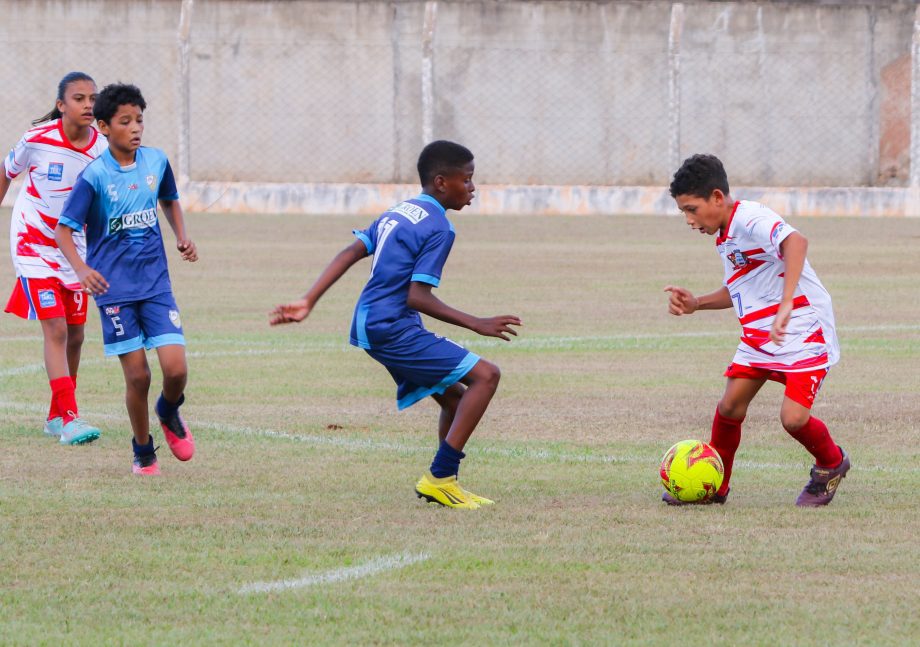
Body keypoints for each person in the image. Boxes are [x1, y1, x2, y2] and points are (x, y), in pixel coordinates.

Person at [270, 140, 521, 509]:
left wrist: (310, 299)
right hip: (391, 326)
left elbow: (351, 251)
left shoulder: (399, 211)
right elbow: (416, 296)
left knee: (453, 398)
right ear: (440, 182)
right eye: (466, 180)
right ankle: (439, 476)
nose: (472, 189)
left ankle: (446, 483)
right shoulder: (440, 227)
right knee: (486, 376)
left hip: (371, 322)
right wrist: (476, 323)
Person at [664, 154, 849, 507]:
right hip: (761, 334)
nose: (688, 220)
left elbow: (796, 242)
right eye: (683, 212)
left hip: (801, 328)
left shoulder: (750, 218)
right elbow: (740, 289)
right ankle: (716, 485)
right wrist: (697, 303)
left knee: (793, 419)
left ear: (717, 197)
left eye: (691, 209)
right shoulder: (726, 235)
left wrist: (784, 304)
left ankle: (832, 463)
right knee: (730, 407)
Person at [55, 83, 197, 475]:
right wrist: (82, 270)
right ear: (103, 126)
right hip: (114, 290)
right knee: (138, 375)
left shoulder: (156, 161)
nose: (136, 128)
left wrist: (181, 236)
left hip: (155, 285)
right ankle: (143, 449)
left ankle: (168, 412)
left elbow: (169, 198)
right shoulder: (94, 176)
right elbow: (63, 230)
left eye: (139, 120)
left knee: (176, 370)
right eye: (125, 121)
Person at [2, 72, 107, 445]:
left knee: (77, 334)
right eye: (79, 98)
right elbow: (6, 171)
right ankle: (70, 416)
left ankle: (55, 415)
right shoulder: (37, 140)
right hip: (32, 244)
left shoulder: (101, 150)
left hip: (73, 250)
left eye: (93, 98)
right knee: (57, 330)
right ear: (61, 105)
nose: (88, 105)